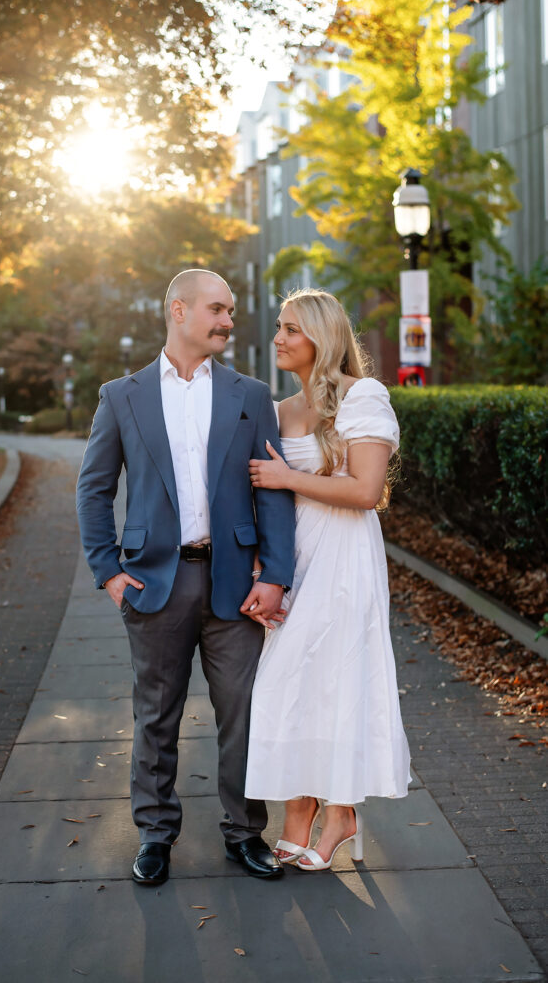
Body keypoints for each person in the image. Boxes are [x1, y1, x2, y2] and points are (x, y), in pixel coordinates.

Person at [76, 268, 295, 886]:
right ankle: (154, 834)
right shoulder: (123, 396)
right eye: (218, 310)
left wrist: (275, 574)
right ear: (179, 310)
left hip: (235, 582)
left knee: (243, 713)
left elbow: (271, 493)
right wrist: (109, 573)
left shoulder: (251, 395)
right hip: (152, 583)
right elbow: (94, 490)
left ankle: (246, 833)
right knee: (156, 716)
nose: (229, 321)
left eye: (229, 311)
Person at [245, 288, 411, 871]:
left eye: (291, 328)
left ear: (322, 335)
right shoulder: (282, 408)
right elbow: (270, 500)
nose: (279, 338)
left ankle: (339, 813)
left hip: (343, 556)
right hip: (298, 559)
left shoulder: (362, 396)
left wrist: (287, 478)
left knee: (333, 680)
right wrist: (267, 567)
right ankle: (299, 813)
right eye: (279, 327)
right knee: (291, 685)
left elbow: (366, 492)